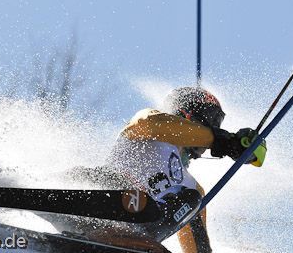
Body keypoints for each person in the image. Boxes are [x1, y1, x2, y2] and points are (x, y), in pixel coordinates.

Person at [105, 86, 267, 253]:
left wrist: (235, 146)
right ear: (184, 112)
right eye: (210, 119)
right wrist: (212, 138)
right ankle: (123, 233)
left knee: (193, 198)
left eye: (216, 124)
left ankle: (140, 237)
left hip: (140, 225)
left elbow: (198, 248)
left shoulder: (190, 187)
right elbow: (150, 124)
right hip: (108, 200)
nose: (213, 127)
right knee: (103, 177)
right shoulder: (151, 125)